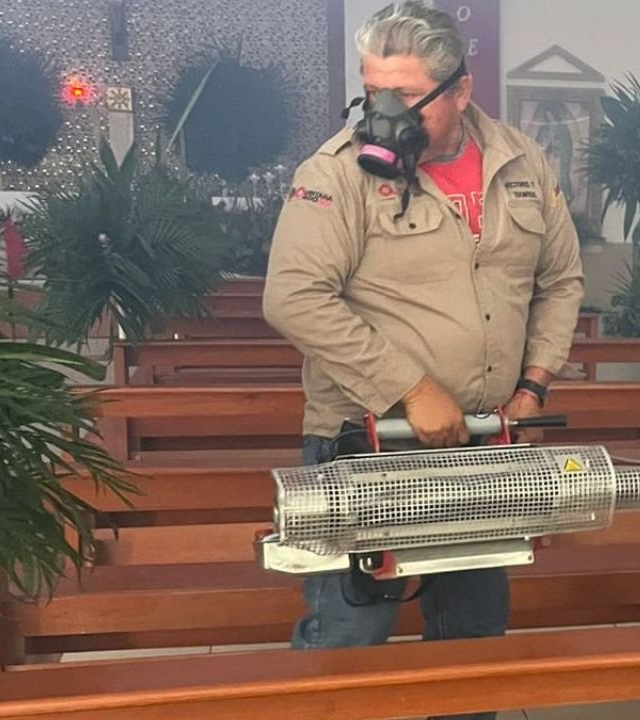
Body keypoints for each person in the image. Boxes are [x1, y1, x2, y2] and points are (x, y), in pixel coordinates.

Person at [261, 3, 583, 718]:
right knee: (349, 632)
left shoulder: (522, 163)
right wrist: (410, 388)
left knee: (472, 637)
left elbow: (560, 280)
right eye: (373, 89)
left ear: (460, 92)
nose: (384, 111)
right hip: (366, 443)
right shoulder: (337, 172)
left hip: (481, 447)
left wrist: (532, 386)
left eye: (405, 96)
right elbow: (291, 298)